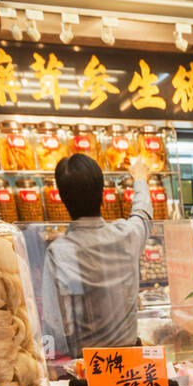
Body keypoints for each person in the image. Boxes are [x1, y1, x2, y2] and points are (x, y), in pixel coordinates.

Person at [41, 152, 153, 360]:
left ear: (63, 199)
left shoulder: (58, 252)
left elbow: (54, 323)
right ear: (101, 193)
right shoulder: (127, 235)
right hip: (130, 361)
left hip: (85, 367)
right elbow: (143, 213)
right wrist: (140, 179)